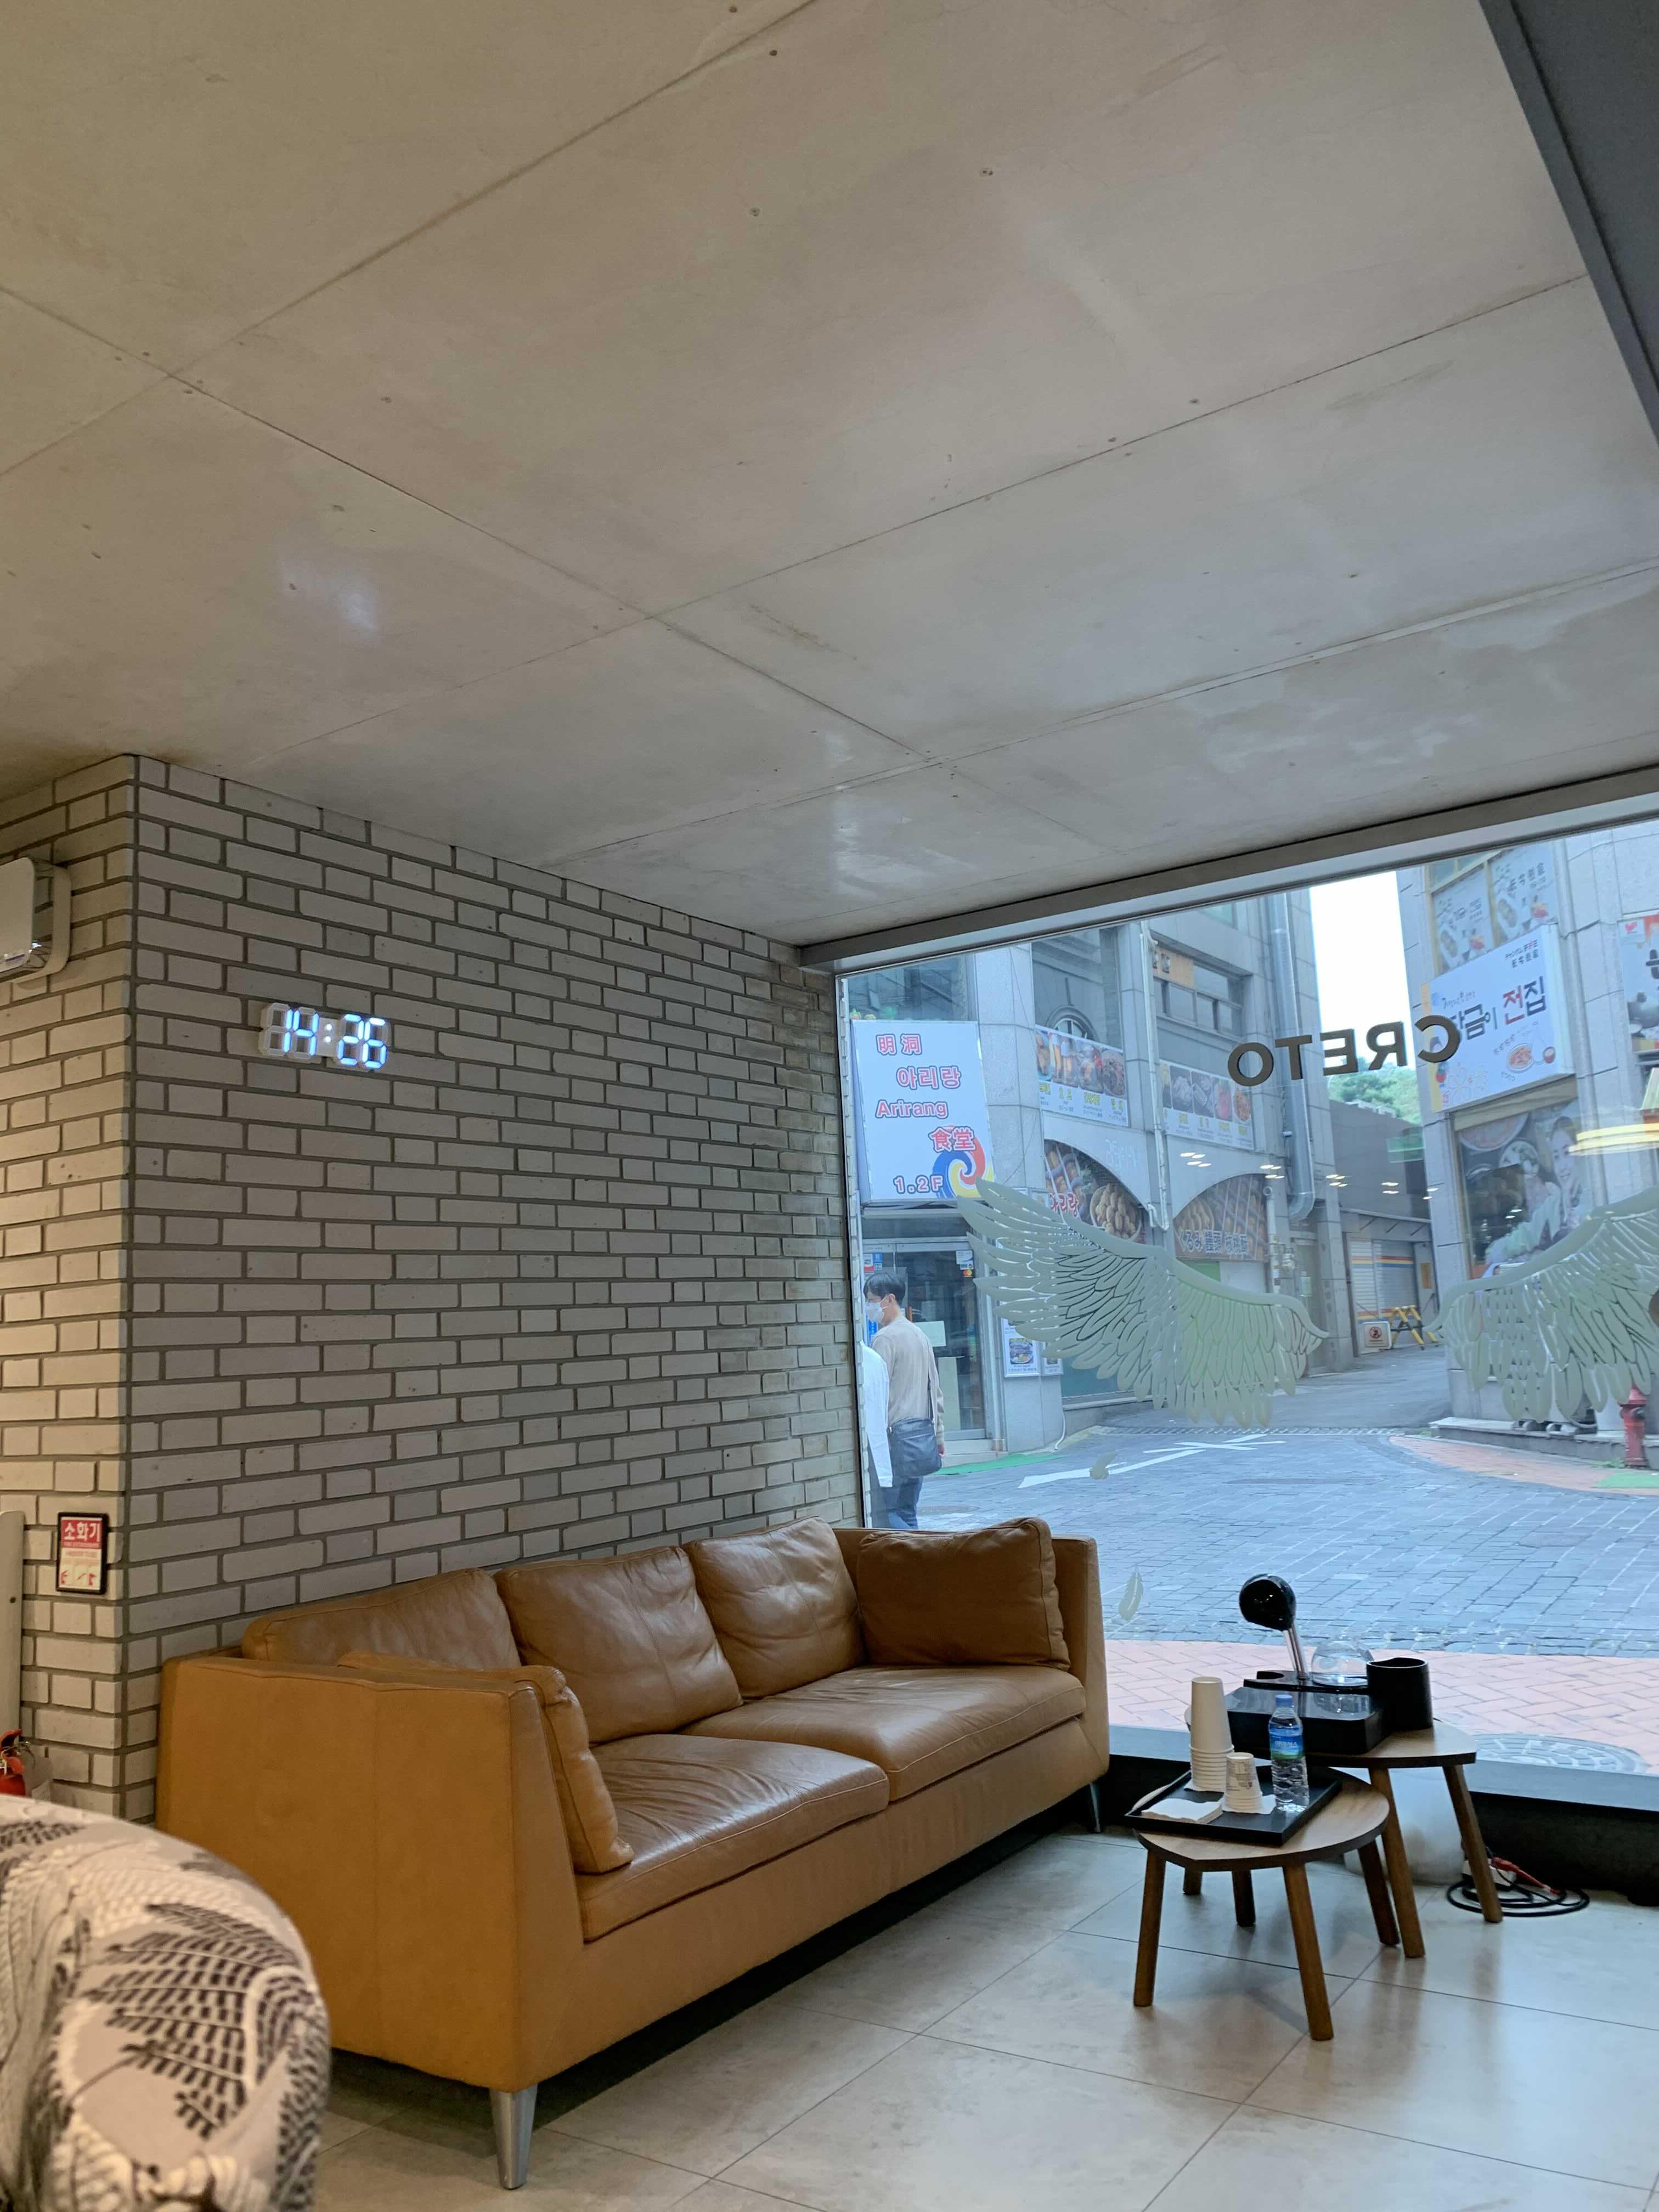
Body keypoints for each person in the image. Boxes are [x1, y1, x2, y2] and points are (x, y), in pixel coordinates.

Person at [862, 1271, 945, 1529]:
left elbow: (876, 1393)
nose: (869, 1307)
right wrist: (939, 1435)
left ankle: (920, 1554)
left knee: (888, 1513)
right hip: (920, 1439)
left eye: (871, 1300)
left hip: (893, 1441)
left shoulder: (884, 1339)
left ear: (889, 1299)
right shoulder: (920, 1335)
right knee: (908, 1512)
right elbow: (935, 1390)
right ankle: (920, 1551)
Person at [857, 1338, 893, 1521]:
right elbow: (885, 1403)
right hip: (877, 1441)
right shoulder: (876, 1360)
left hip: (865, 1444)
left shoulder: (862, 1359)